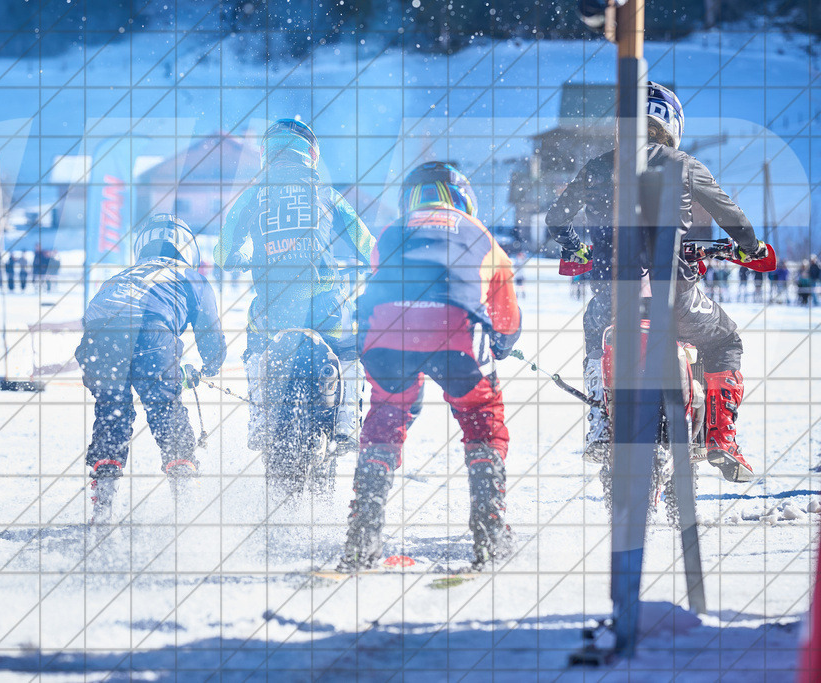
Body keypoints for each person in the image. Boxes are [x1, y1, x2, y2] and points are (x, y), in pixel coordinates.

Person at [546, 81, 766, 483]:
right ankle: (720, 435)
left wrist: (576, 249)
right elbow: (731, 216)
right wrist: (751, 248)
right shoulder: (684, 164)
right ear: (670, 123)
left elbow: (556, 219)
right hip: (674, 295)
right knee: (725, 340)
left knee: (595, 334)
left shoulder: (597, 167)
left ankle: (601, 421)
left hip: (613, 296)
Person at [336, 161, 521, 572]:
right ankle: (489, 530)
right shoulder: (482, 235)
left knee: (387, 417)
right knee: (482, 415)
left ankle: (363, 531)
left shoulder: (391, 232)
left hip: (388, 328)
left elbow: (380, 282)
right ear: (463, 198)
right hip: (456, 328)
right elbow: (507, 317)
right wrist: (502, 343)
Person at [215, 119, 375, 452]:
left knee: (255, 351)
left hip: (272, 309)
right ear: (311, 155)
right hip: (325, 306)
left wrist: (242, 257)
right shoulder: (328, 195)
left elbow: (224, 253)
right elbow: (368, 245)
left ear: (266, 155)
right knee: (349, 348)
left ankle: (260, 418)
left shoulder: (251, 198)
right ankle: (346, 421)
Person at [75, 214, 225, 523]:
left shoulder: (122, 274)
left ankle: (103, 504)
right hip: (151, 331)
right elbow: (210, 333)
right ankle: (185, 499)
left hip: (99, 335)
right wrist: (211, 364)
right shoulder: (190, 276)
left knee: (112, 414)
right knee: (166, 411)